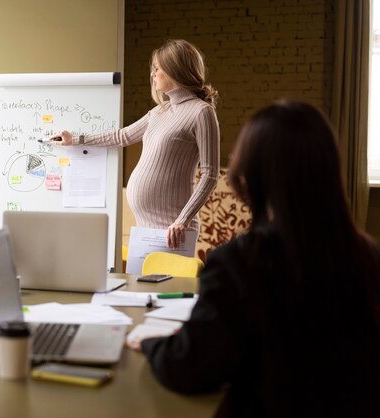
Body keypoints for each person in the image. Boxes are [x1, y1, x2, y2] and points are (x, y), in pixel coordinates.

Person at [129, 101, 380, 417]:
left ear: (252, 174)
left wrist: (152, 343)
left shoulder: (240, 263)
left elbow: (191, 367)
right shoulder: (370, 258)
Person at [52, 39, 219, 248]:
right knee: (140, 282)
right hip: (145, 227)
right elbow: (122, 137)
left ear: (174, 70)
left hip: (173, 229)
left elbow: (210, 175)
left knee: (167, 282)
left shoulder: (201, 112)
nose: (152, 74)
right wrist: (75, 140)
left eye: (157, 69)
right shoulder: (159, 112)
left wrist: (182, 220)